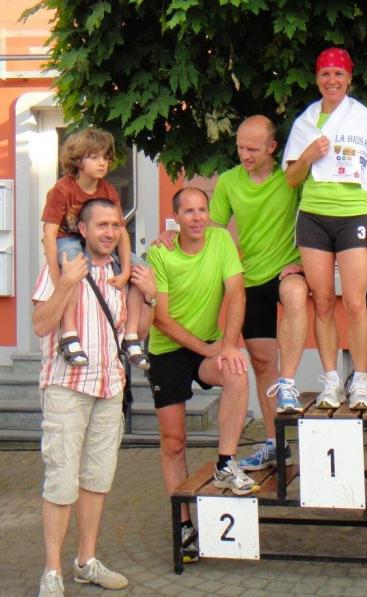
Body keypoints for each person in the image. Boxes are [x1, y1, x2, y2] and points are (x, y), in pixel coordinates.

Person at [158, 115, 310, 470]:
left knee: (295, 294)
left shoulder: (291, 178)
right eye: (240, 147)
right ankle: (275, 445)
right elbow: (208, 226)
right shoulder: (228, 181)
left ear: (272, 147)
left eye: (253, 149)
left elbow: (316, 217)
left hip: (288, 269)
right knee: (261, 363)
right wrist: (173, 233)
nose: (245, 154)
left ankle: (289, 383)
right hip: (252, 277)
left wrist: (305, 262)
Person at [33, 199, 157, 596]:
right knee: (61, 481)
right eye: (101, 225)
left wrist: (150, 297)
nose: (110, 232)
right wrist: (66, 283)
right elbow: (40, 325)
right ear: (83, 230)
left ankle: (85, 562)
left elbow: (138, 333)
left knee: (97, 480)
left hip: (110, 387)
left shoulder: (123, 273)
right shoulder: (60, 266)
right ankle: (52, 571)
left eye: (116, 225)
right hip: (67, 388)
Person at [282, 47, 367, 409]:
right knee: (322, 303)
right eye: (325, 74)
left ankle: (360, 380)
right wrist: (307, 156)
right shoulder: (305, 121)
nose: (331, 81)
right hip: (314, 216)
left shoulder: (366, 120)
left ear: (349, 78)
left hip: (354, 214)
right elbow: (291, 178)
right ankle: (331, 380)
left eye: (338, 74)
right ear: (316, 79)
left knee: (354, 301)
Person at [147, 187, 259, 563]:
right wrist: (209, 348)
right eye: (189, 211)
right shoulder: (160, 252)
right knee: (174, 442)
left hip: (209, 345)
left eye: (202, 210)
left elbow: (237, 293)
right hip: (167, 352)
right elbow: (161, 320)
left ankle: (226, 463)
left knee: (237, 370)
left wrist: (227, 346)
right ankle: (184, 525)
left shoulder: (221, 240)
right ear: (176, 217)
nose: (197, 218)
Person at [41, 128, 149, 370]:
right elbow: (49, 233)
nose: (102, 163)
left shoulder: (107, 190)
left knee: (142, 270)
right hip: (68, 239)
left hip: (97, 240)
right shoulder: (62, 189)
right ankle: (69, 333)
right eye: (94, 157)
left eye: (105, 158)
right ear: (78, 160)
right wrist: (58, 277)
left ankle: (131, 336)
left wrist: (126, 271)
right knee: (74, 265)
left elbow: (121, 231)